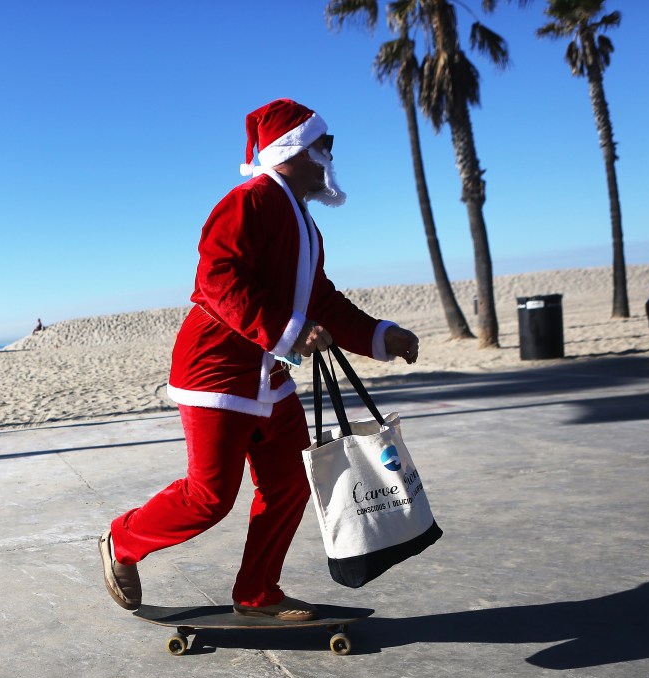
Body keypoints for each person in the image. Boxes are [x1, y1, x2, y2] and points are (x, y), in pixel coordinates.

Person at [100, 99, 420, 621]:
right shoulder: (249, 201)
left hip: (268, 376)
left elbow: (321, 301)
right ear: (292, 150)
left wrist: (382, 335)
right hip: (216, 372)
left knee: (291, 481)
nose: (329, 155)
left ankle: (256, 594)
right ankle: (121, 541)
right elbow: (217, 280)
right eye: (324, 144)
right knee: (209, 498)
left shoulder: (306, 225)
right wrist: (288, 332)